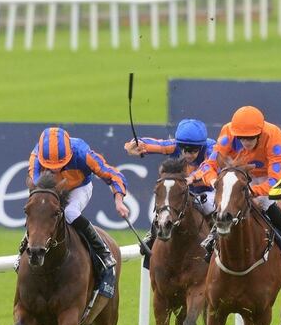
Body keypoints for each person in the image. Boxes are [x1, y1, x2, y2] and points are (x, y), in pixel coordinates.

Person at [25, 127, 129, 296]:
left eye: (60, 165)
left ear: (69, 155)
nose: (56, 170)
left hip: (79, 188)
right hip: (51, 190)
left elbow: (112, 174)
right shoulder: (36, 157)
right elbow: (38, 190)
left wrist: (118, 200)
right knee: (40, 211)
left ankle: (103, 252)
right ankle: (25, 247)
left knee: (70, 213)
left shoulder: (82, 152)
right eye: (50, 167)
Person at [194, 105, 281, 258]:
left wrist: (253, 192)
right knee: (227, 200)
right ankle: (213, 236)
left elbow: (275, 180)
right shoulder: (228, 132)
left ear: (260, 133)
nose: (245, 142)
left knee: (264, 202)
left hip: (268, 176)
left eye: (251, 137)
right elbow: (208, 166)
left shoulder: (275, 137)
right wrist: (215, 183)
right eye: (241, 138)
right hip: (241, 175)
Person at [124, 118, 216, 256]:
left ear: (201, 146)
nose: (188, 154)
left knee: (210, 206)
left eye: (193, 150)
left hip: (209, 189)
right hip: (186, 189)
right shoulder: (176, 145)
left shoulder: (211, 148)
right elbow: (158, 144)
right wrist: (137, 145)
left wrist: (192, 177)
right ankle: (153, 232)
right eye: (184, 149)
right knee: (168, 199)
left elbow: (208, 166)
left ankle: (216, 237)